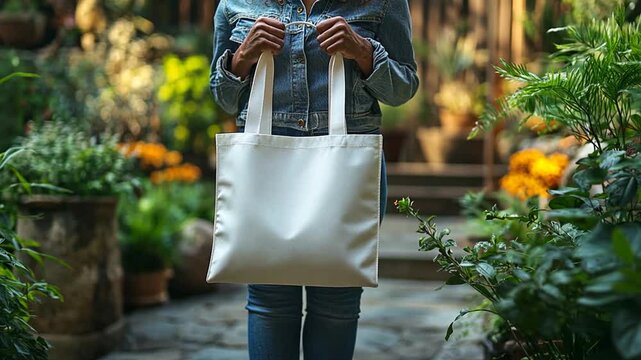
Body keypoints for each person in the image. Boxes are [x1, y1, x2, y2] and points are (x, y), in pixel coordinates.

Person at [209, 0, 418, 358]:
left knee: (337, 300)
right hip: (264, 175)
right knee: (269, 298)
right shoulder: (237, 2)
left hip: (345, 175)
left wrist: (363, 52)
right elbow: (224, 98)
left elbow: (403, 88)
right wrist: (243, 54)